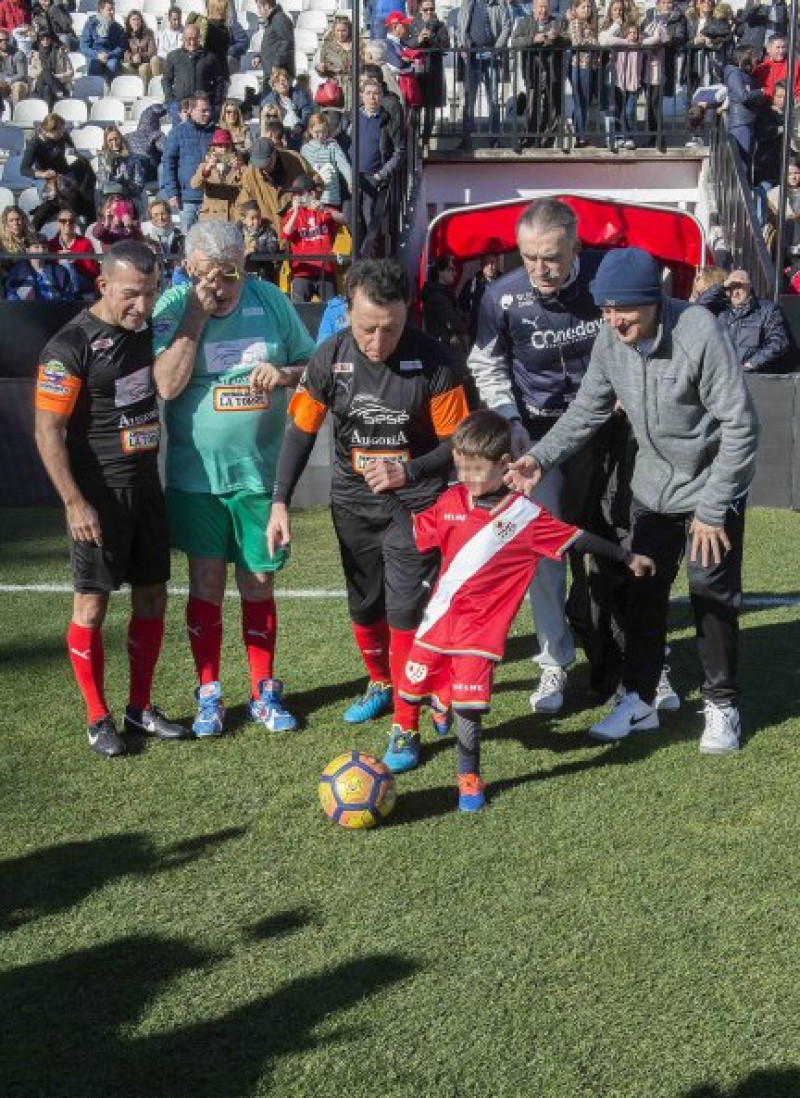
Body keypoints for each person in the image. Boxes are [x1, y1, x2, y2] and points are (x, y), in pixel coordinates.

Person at [506, 246, 760, 755]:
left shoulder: (698, 332)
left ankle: (722, 704)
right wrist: (539, 458)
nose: (614, 320)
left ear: (653, 302)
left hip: (712, 484)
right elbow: (587, 410)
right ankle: (639, 697)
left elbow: (741, 426)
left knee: (710, 591)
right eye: (605, 309)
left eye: (624, 310)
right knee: (643, 587)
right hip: (653, 487)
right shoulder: (609, 339)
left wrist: (712, 509)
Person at [267, 257, 470, 764]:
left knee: (404, 609)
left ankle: (407, 724)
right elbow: (300, 432)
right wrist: (279, 502)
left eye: (391, 328)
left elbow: (457, 445)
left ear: (407, 314)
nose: (378, 341)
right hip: (353, 504)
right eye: (367, 328)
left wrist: (412, 470)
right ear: (347, 309)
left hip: (416, 506)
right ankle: (381, 682)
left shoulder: (435, 360)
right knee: (364, 604)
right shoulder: (328, 358)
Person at [394, 409, 655, 804]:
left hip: (480, 634)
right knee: (410, 687)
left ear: (504, 465)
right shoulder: (450, 499)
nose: (468, 479)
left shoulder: (525, 517)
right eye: (461, 469)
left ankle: (469, 777)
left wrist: (626, 556)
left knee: (470, 709)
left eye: (476, 470)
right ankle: (409, 727)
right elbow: (420, 533)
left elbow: (578, 538)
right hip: (436, 623)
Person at [151, 219, 315, 737]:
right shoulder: (174, 306)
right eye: (207, 277)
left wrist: (285, 374)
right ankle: (209, 694)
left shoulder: (270, 301)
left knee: (259, 581)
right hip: (196, 477)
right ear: (188, 270)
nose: (219, 288)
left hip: (261, 477)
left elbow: (313, 366)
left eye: (229, 277)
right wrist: (196, 314)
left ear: (244, 268)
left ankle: (264, 690)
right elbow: (167, 386)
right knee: (206, 582)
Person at [33, 240, 188, 757]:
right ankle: (97, 717)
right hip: (98, 496)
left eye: (149, 294)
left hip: (146, 487)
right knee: (92, 606)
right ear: (103, 285)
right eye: (129, 295)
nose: (140, 307)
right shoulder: (68, 345)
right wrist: (74, 502)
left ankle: (139, 708)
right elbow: (47, 432)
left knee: (153, 595)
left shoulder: (152, 331)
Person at [467, 197, 604, 712]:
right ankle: (553, 663)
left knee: (607, 542)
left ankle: (631, 657)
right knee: (544, 553)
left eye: (552, 257)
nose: (541, 269)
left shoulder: (601, 281)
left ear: (576, 246)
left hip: (601, 431)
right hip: (535, 441)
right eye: (529, 257)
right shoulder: (500, 296)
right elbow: (486, 365)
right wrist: (512, 422)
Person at [696, 266, 793, 372]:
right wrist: (722, 286)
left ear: (749, 287)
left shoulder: (767, 310)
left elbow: (778, 342)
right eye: (732, 287)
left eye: (740, 287)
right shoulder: (720, 309)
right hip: (723, 375)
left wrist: (751, 364)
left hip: (752, 377)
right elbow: (697, 309)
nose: (736, 292)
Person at [350, 76, 403, 247]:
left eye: (376, 94)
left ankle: (368, 262)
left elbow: (399, 150)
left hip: (374, 178)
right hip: (352, 177)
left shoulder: (387, 120)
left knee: (370, 222)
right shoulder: (352, 118)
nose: (372, 97)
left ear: (381, 96)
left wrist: (382, 174)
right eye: (369, 93)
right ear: (362, 96)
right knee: (351, 220)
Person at [281, 171, 344, 303]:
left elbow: (346, 219)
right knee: (299, 314)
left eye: (300, 193)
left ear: (312, 194)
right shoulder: (292, 214)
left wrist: (324, 210)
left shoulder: (325, 210)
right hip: (301, 272)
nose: (296, 197)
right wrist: (295, 212)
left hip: (325, 271)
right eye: (294, 194)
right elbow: (285, 234)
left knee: (331, 310)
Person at [457, 0, 512, 148]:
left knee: (493, 100)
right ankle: (466, 140)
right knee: (469, 101)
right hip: (472, 56)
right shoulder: (467, 4)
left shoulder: (498, 4)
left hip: (491, 55)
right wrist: (462, 45)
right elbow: (460, 27)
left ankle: (494, 139)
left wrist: (497, 48)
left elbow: (507, 26)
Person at [511, 0, 564, 150]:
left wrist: (557, 39)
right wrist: (534, 39)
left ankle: (547, 140)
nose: (543, 11)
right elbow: (514, 41)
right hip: (531, 70)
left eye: (546, 8)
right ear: (533, 9)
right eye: (540, 7)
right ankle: (530, 137)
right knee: (532, 104)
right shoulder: (524, 22)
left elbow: (568, 41)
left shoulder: (556, 23)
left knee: (551, 105)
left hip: (552, 71)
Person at [161, 91, 216, 233]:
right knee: (189, 242)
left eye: (209, 110)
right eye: (203, 111)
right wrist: (172, 192)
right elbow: (168, 163)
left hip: (212, 199)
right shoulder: (177, 133)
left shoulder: (217, 133)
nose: (207, 114)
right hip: (187, 200)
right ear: (191, 110)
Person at [235, 135, 308, 236]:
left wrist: (304, 200)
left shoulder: (294, 160)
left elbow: (316, 184)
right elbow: (243, 207)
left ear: (274, 154)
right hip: (268, 235)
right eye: (259, 164)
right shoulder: (251, 173)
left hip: (297, 231)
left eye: (266, 163)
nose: (263, 168)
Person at [407, 0, 450, 146]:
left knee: (430, 109)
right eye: (426, 10)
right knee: (415, 107)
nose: (429, 13)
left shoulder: (440, 25)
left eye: (431, 9)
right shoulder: (412, 25)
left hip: (433, 71)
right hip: (417, 71)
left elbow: (445, 48)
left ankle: (425, 140)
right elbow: (406, 45)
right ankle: (414, 141)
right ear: (420, 9)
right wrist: (418, 39)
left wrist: (431, 37)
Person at [163, 24, 224, 126]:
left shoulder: (210, 57)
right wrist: (170, 101)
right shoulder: (173, 56)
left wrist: (215, 101)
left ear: (199, 38)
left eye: (195, 39)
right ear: (182, 38)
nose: (192, 42)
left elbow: (219, 80)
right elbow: (166, 80)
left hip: (202, 105)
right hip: (180, 105)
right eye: (189, 39)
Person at [421, 255, 470, 361]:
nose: (454, 273)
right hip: (444, 351)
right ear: (440, 271)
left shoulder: (443, 294)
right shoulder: (437, 297)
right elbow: (454, 324)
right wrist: (466, 322)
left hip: (444, 348)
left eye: (454, 270)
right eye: (450, 269)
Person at [300, 112, 352, 210]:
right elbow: (305, 171)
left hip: (331, 197)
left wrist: (350, 180)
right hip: (313, 198)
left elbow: (343, 164)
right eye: (317, 132)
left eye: (323, 131)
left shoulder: (333, 146)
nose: (321, 135)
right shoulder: (305, 149)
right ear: (310, 130)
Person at [189, 127, 243, 221]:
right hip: (211, 217)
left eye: (227, 146)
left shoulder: (240, 166)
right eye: (220, 146)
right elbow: (194, 185)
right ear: (213, 148)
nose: (224, 149)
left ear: (231, 148)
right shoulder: (204, 166)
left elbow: (246, 187)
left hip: (232, 216)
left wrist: (238, 171)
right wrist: (207, 170)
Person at [47, 206, 100, 298]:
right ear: (58, 223)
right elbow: (47, 268)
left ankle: (69, 294)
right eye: (63, 221)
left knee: (67, 263)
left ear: (75, 224)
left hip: (82, 280)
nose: (67, 224)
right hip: (59, 280)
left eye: (71, 221)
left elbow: (92, 271)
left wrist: (76, 260)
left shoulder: (85, 242)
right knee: (64, 263)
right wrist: (59, 260)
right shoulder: (51, 244)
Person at [5, 232, 75, 300]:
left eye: (44, 247)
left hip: (53, 309)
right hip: (26, 310)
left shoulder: (60, 271)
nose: (41, 251)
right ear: (27, 250)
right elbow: (12, 296)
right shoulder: (17, 271)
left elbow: (68, 296)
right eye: (36, 247)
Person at [261, 66, 312, 151]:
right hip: (279, 133)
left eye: (284, 80)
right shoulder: (268, 101)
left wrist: (301, 126)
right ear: (274, 85)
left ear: (289, 82)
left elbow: (307, 112)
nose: (282, 84)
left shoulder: (299, 94)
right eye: (278, 81)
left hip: (299, 130)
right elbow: (267, 122)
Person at [96, 125, 146, 211]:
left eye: (116, 139)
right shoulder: (103, 158)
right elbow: (103, 181)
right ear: (106, 143)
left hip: (128, 195)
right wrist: (109, 165)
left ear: (121, 139)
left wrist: (125, 186)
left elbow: (139, 183)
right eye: (110, 140)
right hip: (109, 197)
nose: (114, 143)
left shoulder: (132, 157)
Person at [314, 13, 353, 109]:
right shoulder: (327, 47)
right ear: (334, 31)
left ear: (349, 30)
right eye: (338, 30)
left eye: (344, 30)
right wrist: (321, 68)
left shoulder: (357, 44)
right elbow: (322, 70)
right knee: (335, 119)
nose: (340, 34)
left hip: (353, 87)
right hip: (334, 89)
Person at [79, 0, 126, 79]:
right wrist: (97, 55)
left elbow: (120, 47)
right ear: (101, 10)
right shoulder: (91, 24)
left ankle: (111, 89)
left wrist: (109, 54)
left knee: (112, 65)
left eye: (113, 10)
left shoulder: (117, 27)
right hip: (94, 55)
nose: (112, 12)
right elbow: (84, 47)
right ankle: (94, 89)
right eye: (109, 9)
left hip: (110, 56)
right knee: (94, 64)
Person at [457, 250, 500, 338]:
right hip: (478, 332)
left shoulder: (505, 281)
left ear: (497, 262)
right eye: (486, 263)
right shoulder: (472, 284)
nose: (490, 267)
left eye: (492, 262)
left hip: (499, 331)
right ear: (481, 265)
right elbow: (462, 306)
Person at [239, 198, 278, 280]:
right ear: (244, 220)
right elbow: (231, 251)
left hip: (263, 272)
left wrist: (256, 248)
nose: (256, 222)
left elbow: (273, 248)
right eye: (252, 218)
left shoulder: (269, 231)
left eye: (258, 218)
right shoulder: (237, 232)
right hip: (242, 272)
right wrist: (246, 251)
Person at [255, 0, 294, 79]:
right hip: (272, 73)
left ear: (267, 6)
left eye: (259, 8)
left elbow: (286, 43)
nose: (259, 12)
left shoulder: (279, 19)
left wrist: (276, 65)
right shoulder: (272, 20)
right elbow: (272, 44)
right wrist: (259, 57)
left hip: (278, 75)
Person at [123, 9, 156, 86]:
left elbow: (152, 52)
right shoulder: (125, 34)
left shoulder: (148, 33)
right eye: (133, 19)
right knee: (125, 66)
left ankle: (145, 92)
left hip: (145, 62)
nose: (136, 22)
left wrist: (140, 56)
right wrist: (132, 57)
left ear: (141, 21)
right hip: (132, 62)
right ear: (129, 22)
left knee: (143, 68)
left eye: (138, 19)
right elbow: (124, 51)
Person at [152, 3, 182, 77]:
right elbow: (159, 51)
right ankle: (157, 84)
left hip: (178, 61)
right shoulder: (160, 33)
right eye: (174, 19)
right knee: (154, 59)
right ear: (169, 19)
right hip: (164, 60)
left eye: (179, 19)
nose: (177, 22)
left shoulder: (184, 32)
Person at [0, 25, 27, 105]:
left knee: (17, 86)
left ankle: (16, 114)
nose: (3, 42)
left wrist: (8, 81)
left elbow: (21, 74)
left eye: (6, 40)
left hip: (15, 82)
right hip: (1, 82)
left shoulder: (18, 54)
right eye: (0, 40)